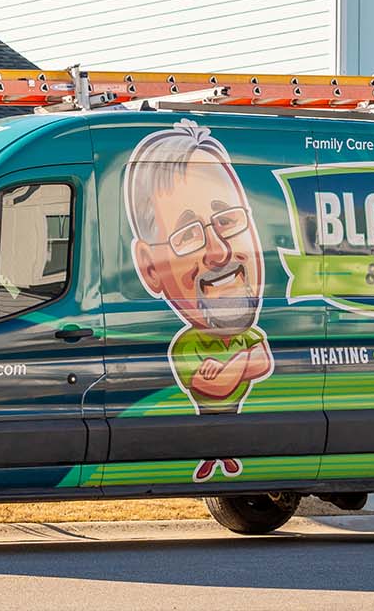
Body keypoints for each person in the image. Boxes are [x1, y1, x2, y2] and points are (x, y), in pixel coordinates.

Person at [123, 121, 275, 481]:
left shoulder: (248, 335)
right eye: (188, 235)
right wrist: (242, 362)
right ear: (149, 267)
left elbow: (256, 364)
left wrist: (229, 368)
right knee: (213, 438)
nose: (219, 251)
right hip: (210, 425)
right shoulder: (187, 344)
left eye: (228, 220)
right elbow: (215, 385)